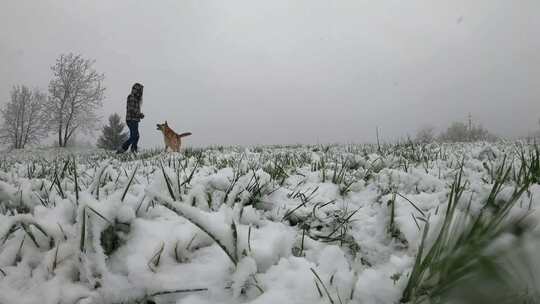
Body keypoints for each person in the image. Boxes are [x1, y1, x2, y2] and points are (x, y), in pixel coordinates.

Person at [118, 83, 144, 153]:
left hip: (135, 120)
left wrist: (139, 115)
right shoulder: (131, 97)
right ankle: (122, 149)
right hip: (131, 119)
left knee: (136, 136)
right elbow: (131, 109)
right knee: (134, 136)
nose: (141, 93)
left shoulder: (136, 98)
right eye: (140, 91)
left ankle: (133, 150)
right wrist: (140, 114)